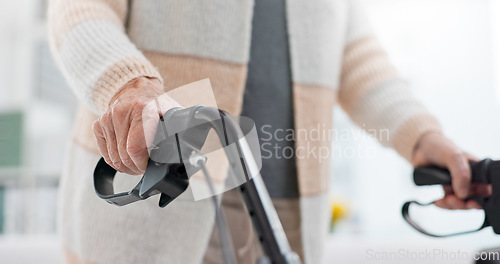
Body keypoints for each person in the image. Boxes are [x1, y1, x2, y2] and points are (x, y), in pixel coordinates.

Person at [48, 0, 490, 263]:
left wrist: (422, 138)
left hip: (286, 206)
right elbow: (79, 10)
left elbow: (359, 60)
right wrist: (129, 84)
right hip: (172, 197)